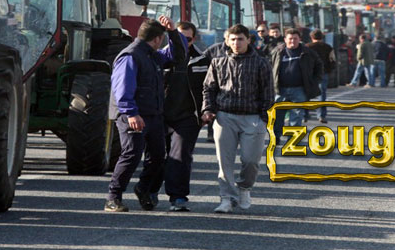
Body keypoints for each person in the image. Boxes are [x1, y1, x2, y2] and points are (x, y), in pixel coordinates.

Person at [105, 16, 177, 212]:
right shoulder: (131, 55)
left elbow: (176, 55)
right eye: (162, 38)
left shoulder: (152, 55)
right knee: (131, 155)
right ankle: (113, 197)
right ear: (156, 39)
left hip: (153, 115)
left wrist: (173, 32)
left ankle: (144, 189)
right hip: (134, 116)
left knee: (158, 158)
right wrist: (131, 113)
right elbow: (123, 88)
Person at [202, 24, 273, 214]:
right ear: (226, 41)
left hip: (252, 117)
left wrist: (264, 117)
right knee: (224, 162)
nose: (236, 43)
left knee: (251, 160)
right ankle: (226, 198)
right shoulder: (218, 62)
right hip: (225, 117)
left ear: (248, 40)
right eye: (232, 39)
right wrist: (208, 109)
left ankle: (244, 188)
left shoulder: (260, 63)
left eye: (240, 39)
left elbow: (268, 92)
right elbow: (209, 88)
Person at [149, 21, 209, 212]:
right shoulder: (159, 57)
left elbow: (209, 88)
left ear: (195, 39)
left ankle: (178, 197)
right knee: (156, 156)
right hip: (160, 114)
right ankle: (149, 190)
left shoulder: (202, 60)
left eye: (187, 39)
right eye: (178, 37)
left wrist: (205, 111)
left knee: (180, 156)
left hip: (188, 117)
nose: (183, 42)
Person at [271, 28, 323, 139]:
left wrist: (314, 81)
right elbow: (269, 67)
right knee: (277, 116)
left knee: (297, 116)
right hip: (280, 90)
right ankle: (276, 137)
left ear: (299, 39)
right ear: (285, 39)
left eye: (295, 39)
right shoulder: (277, 51)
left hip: (299, 89)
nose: (292, 41)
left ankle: (292, 141)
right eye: (290, 39)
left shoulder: (307, 52)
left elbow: (319, 66)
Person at [306, 29, 335, 123]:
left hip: (309, 72)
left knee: (307, 93)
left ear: (311, 37)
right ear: (322, 37)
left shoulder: (307, 47)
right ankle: (321, 115)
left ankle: (305, 114)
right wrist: (329, 70)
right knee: (322, 94)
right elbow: (332, 60)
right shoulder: (328, 47)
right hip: (323, 72)